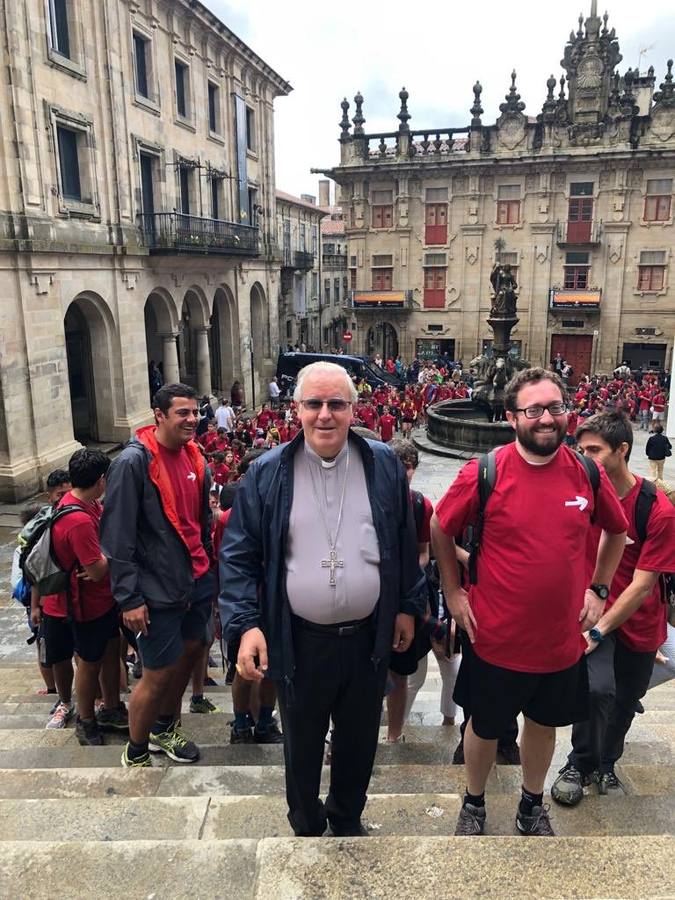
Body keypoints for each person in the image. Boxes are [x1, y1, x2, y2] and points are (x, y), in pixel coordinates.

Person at [219, 361, 426, 837]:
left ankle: (348, 815)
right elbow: (237, 557)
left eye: (337, 404)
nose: (325, 415)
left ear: (354, 409)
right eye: (314, 404)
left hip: (367, 639)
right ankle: (307, 821)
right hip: (299, 639)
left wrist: (406, 607)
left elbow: (401, 539)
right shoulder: (268, 474)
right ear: (297, 410)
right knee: (302, 743)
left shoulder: (383, 465)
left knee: (358, 741)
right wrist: (246, 624)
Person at [431, 367, 628, 837]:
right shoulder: (485, 471)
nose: (546, 418)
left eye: (555, 408)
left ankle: (531, 803)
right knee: (483, 726)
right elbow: (440, 526)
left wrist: (599, 589)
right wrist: (454, 591)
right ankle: (474, 802)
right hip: (495, 636)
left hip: (561, 641)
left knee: (542, 726)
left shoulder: (586, 472)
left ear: (567, 413)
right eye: (533, 409)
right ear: (512, 416)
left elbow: (617, 531)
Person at [552, 412, 675, 804]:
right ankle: (579, 761)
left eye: (593, 450)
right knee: (595, 689)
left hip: (638, 622)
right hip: (591, 616)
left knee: (625, 696)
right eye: (579, 448)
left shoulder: (656, 509)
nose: (583, 456)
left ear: (622, 450)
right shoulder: (579, 499)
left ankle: (609, 760)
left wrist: (602, 627)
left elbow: (643, 585)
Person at [101, 383, 215, 768]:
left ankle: (164, 728)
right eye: (182, 412)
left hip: (196, 579)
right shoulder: (132, 463)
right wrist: (129, 598)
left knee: (193, 650)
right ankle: (135, 751)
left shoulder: (196, 457)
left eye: (195, 412)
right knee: (157, 672)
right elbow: (116, 537)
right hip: (156, 589)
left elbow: (199, 523)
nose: (192, 419)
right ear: (159, 415)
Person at [35, 449, 127, 745]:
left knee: (112, 651)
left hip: (101, 603)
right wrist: (109, 559)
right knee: (90, 662)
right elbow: (98, 570)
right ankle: (86, 721)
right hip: (84, 607)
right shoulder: (79, 520)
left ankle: (112, 707)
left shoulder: (87, 504)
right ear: (101, 480)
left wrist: (103, 556)